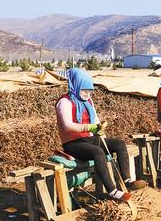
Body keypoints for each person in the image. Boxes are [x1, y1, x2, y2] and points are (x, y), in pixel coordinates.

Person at [55, 68, 145, 203]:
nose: (87, 93)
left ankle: (127, 180)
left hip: (90, 139)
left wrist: (99, 128)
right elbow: (68, 126)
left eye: (90, 90)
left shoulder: (87, 101)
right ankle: (112, 191)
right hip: (73, 143)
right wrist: (88, 127)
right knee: (98, 152)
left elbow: (95, 120)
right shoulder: (64, 102)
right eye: (84, 90)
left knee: (119, 144)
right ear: (76, 85)